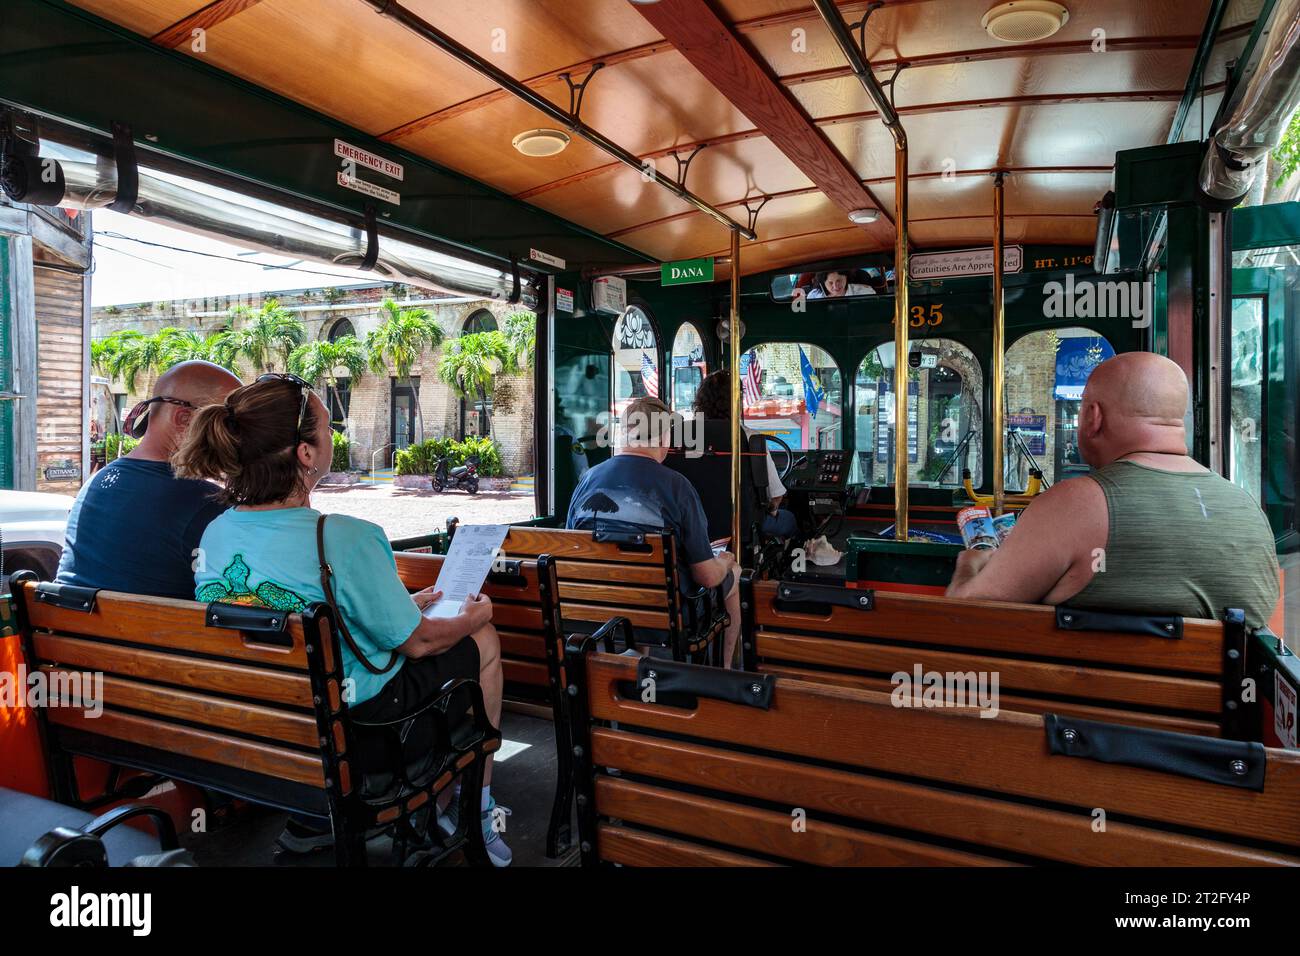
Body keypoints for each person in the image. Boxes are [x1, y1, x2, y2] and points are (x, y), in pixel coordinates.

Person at [172, 373, 512, 865]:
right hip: (364, 733)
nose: (335, 436)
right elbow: (419, 645)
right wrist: (479, 611)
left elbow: (295, 616)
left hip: (262, 723)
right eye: (329, 428)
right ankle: (474, 806)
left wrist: (401, 606)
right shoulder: (346, 536)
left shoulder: (217, 533)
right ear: (306, 453)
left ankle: (349, 814)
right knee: (483, 637)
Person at [947, 352, 1280, 628]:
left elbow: (964, 618)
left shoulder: (1077, 504)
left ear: (1093, 417)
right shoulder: (1248, 509)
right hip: (1222, 706)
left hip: (1068, 706)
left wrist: (971, 561)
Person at [566, 395, 744, 666]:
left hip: (595, 607)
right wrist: (724, 561)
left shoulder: (587, 479)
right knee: (735, 573)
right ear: (664, 439)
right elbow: (707, 578)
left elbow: (571, 547)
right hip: (665, 616)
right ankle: (726, 672)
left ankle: (634, 665)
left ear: (624, 434)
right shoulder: (678, 486)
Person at [56, 360, 241, 600]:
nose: (237, 437)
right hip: (159, 635)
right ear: (184, 419)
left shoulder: (96, 483)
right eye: (229, 422)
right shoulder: (207, 503)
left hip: (68, 630)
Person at [691, 369, 798, 538]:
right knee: (790, 519)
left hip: (694, 524)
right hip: (741, 526)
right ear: (736, 401)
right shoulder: (749, 439)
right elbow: (776, 496)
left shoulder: (686, 436)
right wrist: (771, 510)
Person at [807, 270, 873, 299]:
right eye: (830, 283)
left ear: (846, 278)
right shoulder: (813, 296)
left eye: (839, 280)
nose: (835, 286)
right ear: (823, 283)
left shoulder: (865, 292)